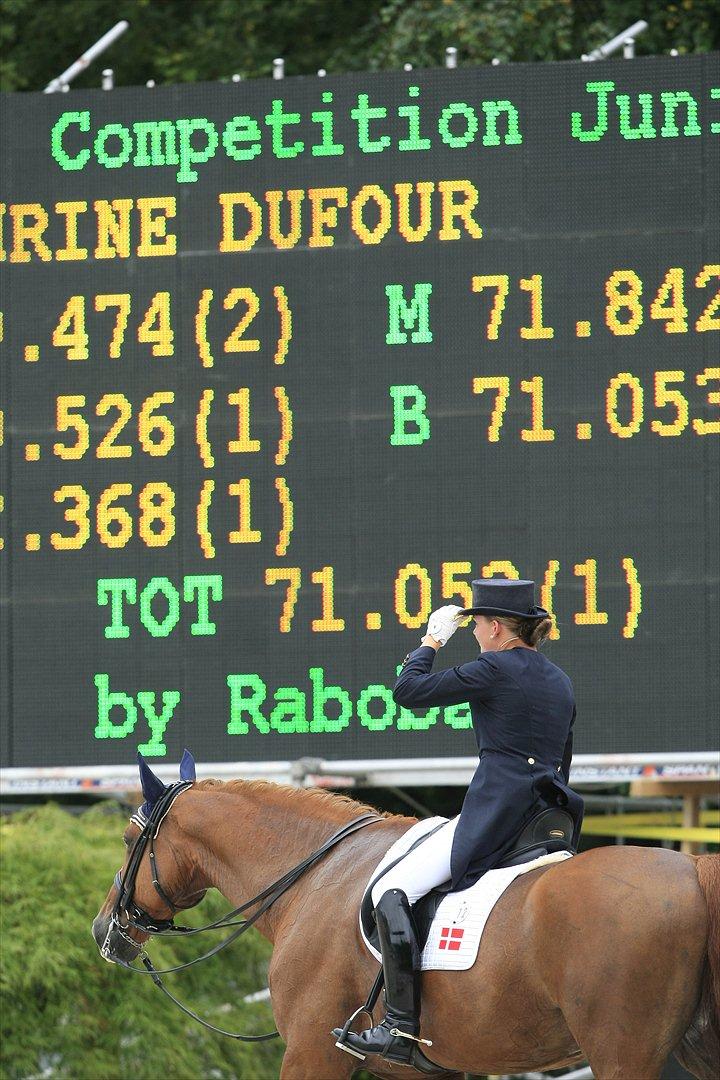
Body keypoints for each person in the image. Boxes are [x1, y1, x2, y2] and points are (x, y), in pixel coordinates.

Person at [334, 578, 584, 1068]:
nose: (474, 634)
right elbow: (565, 758)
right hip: (549, 817)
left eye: (476, 626)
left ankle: (399, 1028)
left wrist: (432, 640)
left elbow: (408, 691)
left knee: (392, 892)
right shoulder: (560, 679)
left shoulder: (494, 666)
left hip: (497, 813)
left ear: (495, 627)